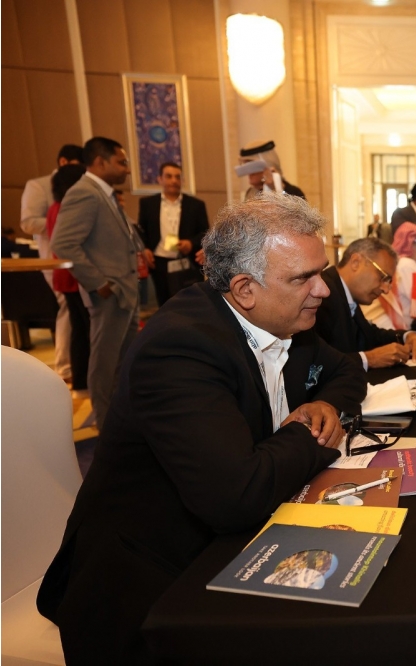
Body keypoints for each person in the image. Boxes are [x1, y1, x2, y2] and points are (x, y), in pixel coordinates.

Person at [36, 193, 368, 663]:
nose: (324, 290)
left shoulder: (283, 318)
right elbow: (236, 496)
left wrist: (324, 404)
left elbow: (346, 372)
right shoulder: (180, 347)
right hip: (150, 587)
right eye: (304, 278)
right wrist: (307, 433)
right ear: (245, 288)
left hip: (235, 542)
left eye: (322, 272)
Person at [50, 137, 143, 430]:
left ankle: (120, 421)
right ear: (100, 162)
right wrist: (99, 282)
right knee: (104, 364)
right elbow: (63, 243)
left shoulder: (104, 193)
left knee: (122, 363)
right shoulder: (84, 192)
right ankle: (105, 425)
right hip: (109, 293)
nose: (127, 169)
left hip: (124, 291)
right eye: (121, 162)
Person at [20, 143, 84, 383]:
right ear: (63, 162)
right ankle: (65, 365)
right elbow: (27, 222)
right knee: (68, 308)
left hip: (76, 257)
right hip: (54, 257)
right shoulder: (39, 185)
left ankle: (74, 364)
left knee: (74, 312)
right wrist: (60, 222)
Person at [314, 237, 416, 369]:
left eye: (389, 282)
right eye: (383, 277)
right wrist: (369, 359)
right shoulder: (322, 295)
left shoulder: (344, 293)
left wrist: (407, 336)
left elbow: (370, 335)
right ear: (356, 262)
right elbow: (315, 363)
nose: (386, 290)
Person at [137, 162, 210, 305]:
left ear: (182, 180)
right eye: (169, 176)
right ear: (160, 179)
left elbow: (205, 232)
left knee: (190, 302)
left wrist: (191, 243)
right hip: (159, 262)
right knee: (164, 303)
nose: (174, 180)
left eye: (177, 177)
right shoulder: (148, 204)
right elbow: (141, 231)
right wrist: (144, 248)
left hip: (187, 261)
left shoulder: (196, 205)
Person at [46, 164, 90, 393]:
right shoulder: (69, 206)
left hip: (64, 274)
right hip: (76, 275)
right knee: (87, 331)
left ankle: (81, 380)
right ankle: (87, 379)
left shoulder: (54, 207)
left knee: (79, 330)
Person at [239, 140, 306, 200]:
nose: (249, 172)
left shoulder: (294, 193)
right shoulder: (251, 193)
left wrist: (275, 189)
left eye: (251, 167)